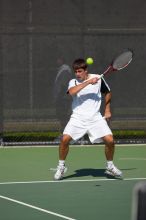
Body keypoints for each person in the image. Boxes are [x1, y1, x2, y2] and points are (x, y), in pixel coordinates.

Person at [54, 58, 122, 180]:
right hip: (77, 118)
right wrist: (88, 82)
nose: (77, 74)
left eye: (80, 71)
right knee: (64, 139)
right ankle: (61, 166)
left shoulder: (98, 78)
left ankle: (110, 166)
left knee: (110, 141)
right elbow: (72, 92)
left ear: (86, 70)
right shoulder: (73, 82)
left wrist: (107, 109)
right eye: (76, 72)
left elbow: (108, 93)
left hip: (95, 118)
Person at [54, 57, 73, 136]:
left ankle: (66, 134)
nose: (57, 61)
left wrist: (60, 96)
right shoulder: (62, 70)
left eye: (59, 59)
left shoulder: (65, 70)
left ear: (62, 60)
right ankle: (65, 134)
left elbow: (63, 85)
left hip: (63, 98)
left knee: (64, 116)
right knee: (62, 116)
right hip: (62, 98)